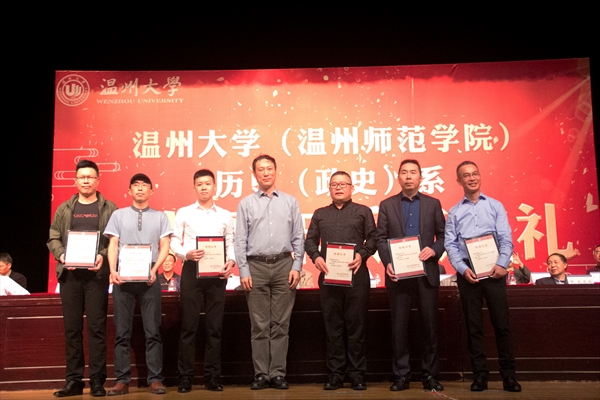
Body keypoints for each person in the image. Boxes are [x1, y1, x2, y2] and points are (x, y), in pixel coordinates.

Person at [444, 161, 521, 393]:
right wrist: (461, 268)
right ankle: (479, 376)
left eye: (475, 174)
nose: (472, 178)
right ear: (459, 181)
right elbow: (450, 244)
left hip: (495, 271)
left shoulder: (495, 206)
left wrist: (502, 264)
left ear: (480, 176)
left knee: (502, 325)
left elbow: (506, 239)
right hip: (469, 273)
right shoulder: (454, 212)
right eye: (466, 175)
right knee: (473, 326)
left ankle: (509, 376)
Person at [47, 160, 117, 397]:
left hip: (97, 276)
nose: (86, 181)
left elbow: (115, 240)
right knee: (72, 329)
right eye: (82, 177)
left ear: (98, 180)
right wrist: (62, 254)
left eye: (90, 177)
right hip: (70, 277)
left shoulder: (109, 208)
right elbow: (53, 237)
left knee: (97, 329)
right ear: (75, 181)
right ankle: (74, 381)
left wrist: (102, 255)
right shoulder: (65, 208)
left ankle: (97, 381)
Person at [234, 154, 304, 390]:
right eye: (261, 169)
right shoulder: (246, 204)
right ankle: (261, 374)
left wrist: (297, 266)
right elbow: (240, 240)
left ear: (276, 171)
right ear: (254, 174)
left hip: (284, 265)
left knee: (281, 324)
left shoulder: (290, 202)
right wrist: (244, 270)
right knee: (260, 325)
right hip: (256, 267)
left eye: (269, 169)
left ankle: (278, 374)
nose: (266, 173)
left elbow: (298, 237)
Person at [375, 159, 445, 392]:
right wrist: (388, 262)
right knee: (399, 327)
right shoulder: (387, 205)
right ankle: (401, 375)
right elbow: (380, 238)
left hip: (426, 274)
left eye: (413, 172)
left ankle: (430, 375)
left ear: (420, 177)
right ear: (398, 177)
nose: (408, 176)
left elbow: (443, 236)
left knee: (429, 326)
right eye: (404, 172)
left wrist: (434, 250)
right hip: (399, 275)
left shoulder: (433, 204)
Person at [305, 171, 377, 391]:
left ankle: (357, 374)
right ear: (329, 188)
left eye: (343, 184)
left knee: (357, 326)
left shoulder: (363, 211)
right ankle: (335, 374)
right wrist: (316, 257)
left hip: (356, 276)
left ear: (352, 188)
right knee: (333, 327)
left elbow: (373, 239)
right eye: (334, 184)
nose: (338, 187)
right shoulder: (320, 214)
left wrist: (362, 254)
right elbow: (310, 241)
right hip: (329, 277)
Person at [104, 173, 172, 395]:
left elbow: (164, 245)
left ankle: (155, 379)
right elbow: (113, 244)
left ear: (151, 191)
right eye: (136, 185)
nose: (140, 189)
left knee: (153, 331)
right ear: (129, 191)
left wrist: (154, 269)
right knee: (122, 332)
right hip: (123, 276)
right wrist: (113, 270)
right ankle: (122, 380)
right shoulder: (118, 215)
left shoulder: (160, 217)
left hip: (149, 275)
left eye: (145, 186)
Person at [170, 169, 236, 392]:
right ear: (194, 187)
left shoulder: (225, 215)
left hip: (217, 273)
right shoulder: (184, 213)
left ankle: (212, 377)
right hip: (192, 270)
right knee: (188, 326)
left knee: (214, 328)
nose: (204, 187)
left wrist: (231, 261)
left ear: (215, 187)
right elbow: (174, 241)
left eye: (208, 183)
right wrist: (186, 254)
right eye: (200, 184)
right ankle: (185, 378)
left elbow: (231, 243)